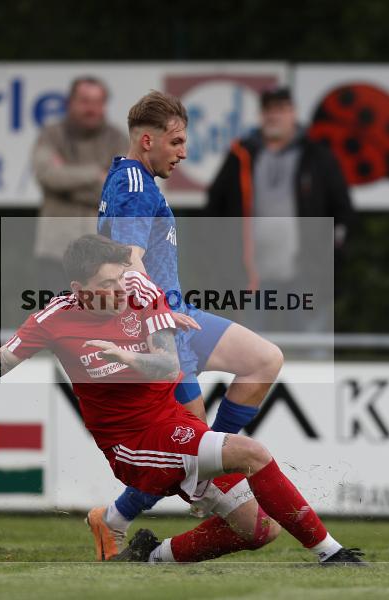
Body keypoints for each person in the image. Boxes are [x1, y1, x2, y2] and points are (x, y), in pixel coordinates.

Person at [0, 234, 364, 566]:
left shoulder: (138, 291)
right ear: (78, 291)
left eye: (122, 280)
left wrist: (126, 352)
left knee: (260, 531)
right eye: (107, 285)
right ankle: (332, 554)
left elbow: (166, 365)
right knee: (252, 453)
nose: (120, 292)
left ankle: (151, 556)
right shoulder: (52, 320)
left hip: (173, 422)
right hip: (134, 445)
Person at [92, 91, 284, 558]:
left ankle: (134, 508)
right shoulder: (135, 185)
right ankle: (116, 519)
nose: (184, 152)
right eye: (176, 142)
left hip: (182, 317)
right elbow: (129, 256)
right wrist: (148, 302)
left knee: (263, 360)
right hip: (158, 328)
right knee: (192, 453)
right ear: (146, 140)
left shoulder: (137, 181)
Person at [205, 86, 354, 334]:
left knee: (310, 346)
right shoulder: (241, 155)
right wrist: (222, 253)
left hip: (306, 273)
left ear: (293, 113)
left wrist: (330, 252)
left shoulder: (317, 156)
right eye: (268, 110)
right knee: (250, 348)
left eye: (281, 109)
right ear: (260, 115)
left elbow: (343, 210)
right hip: (251, 273)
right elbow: (215, 206)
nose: (274, 116)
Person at [32, 76, 127, 296]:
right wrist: (96, 174)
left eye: (97, 102)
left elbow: (119, 192)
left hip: (104, 258)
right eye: (85, 101)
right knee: (54, 323)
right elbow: (48, 175)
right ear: (70, 103)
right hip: (55, 252)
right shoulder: (50, 135)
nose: (91, 109)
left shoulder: (118, 140)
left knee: (99, 326)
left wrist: (66, 183)